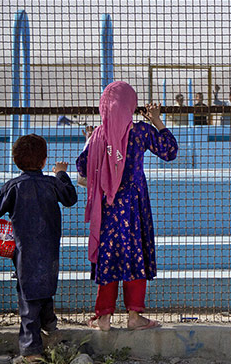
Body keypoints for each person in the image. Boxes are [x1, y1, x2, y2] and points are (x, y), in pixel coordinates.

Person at [77, 81, 178, 332]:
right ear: (131, 106)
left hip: (108, 208)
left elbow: (81, 168)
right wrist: (156, 120)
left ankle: (103, 318)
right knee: (135, 255)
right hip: (134, 206)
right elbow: (170, 151)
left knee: (107, 257)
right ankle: (135, 316)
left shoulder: (99, 135)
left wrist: (91, 141)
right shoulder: (141, 131)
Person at [0, 134, 78, 362]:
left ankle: (31, 351)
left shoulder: (14, 186)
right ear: (44, 161)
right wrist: (61, 173)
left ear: (16, 161)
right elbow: (70, 197)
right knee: (46, 288)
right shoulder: (52, 183)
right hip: (49, 251)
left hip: (24, 253)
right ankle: (50, 327)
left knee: (28, 297)